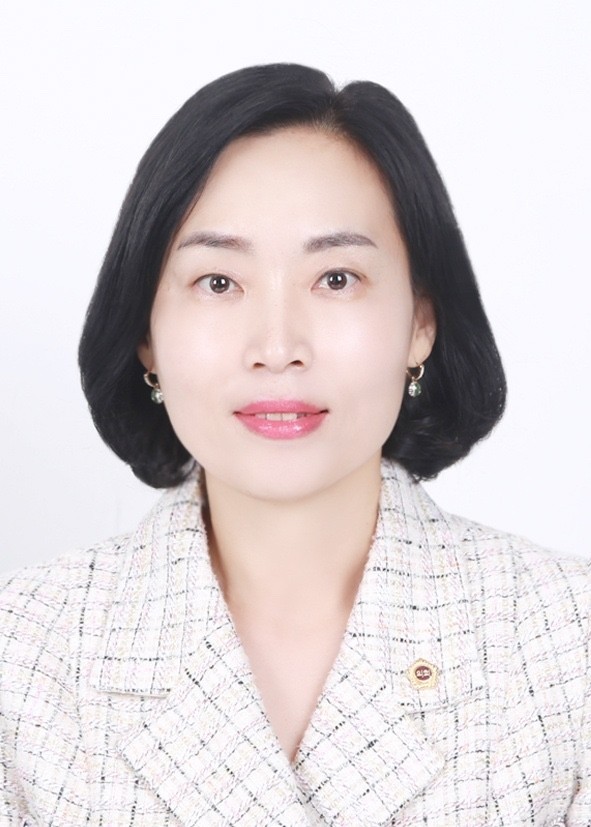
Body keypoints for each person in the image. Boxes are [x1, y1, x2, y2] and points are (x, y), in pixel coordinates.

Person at [0, 63, 588, 826]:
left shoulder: (568, 642)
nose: (277, 347)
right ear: (146, 334)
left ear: (420, 323)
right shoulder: (22, 655)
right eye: (218, 282)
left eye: (336, 278)